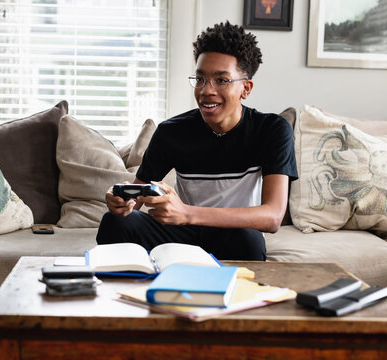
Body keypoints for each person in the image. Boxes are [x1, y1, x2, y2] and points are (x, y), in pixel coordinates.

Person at [96, 21, 298, 261]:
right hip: (181, 233)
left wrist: (187, 213)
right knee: (115, 223)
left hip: (233, 233)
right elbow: (136, 201)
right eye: (200, 79)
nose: (206, 90)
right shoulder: (171, 132)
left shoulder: (271, 130)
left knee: (249, 239)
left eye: (221, 80)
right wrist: (121, 200)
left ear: (246, 88)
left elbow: (272, 217)